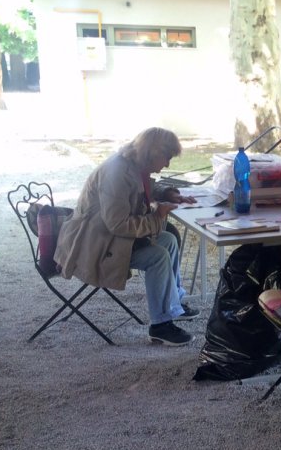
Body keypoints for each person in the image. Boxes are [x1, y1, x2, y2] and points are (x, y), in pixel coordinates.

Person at [54, 127, 200, 346]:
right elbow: (118, 224)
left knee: (169, 238)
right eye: (167, 158)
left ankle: (173, 305)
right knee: (158, 256)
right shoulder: (117, 173)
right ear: (153, 153)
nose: (168, 165)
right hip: (93, 245)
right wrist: (157, 217)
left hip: (108, 237)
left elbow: (139, 190)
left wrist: (167, 194)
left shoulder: (133, 164)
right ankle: (160, 326)